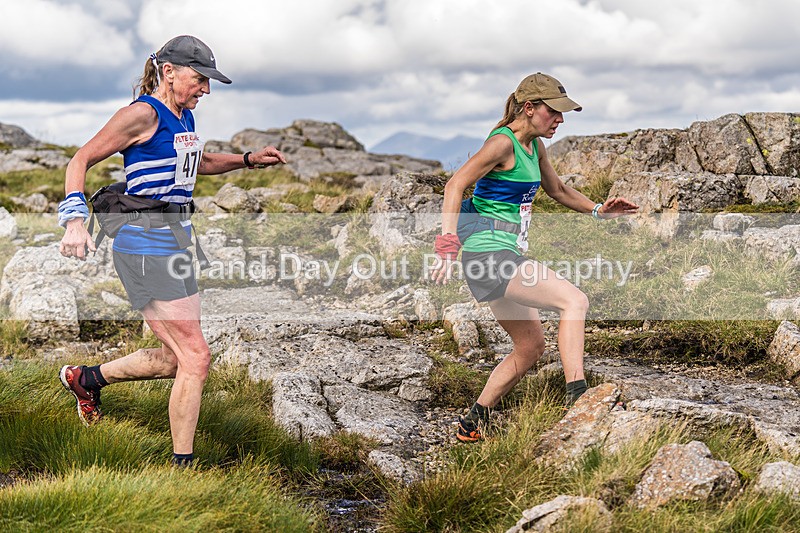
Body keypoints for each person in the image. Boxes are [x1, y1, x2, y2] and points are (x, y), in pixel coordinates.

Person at [57, 35, 287, 466]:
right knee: (197, 357)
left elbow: (195, 163)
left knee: (174, 358)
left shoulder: (183, 118)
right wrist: (73, 220)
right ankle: (184, 469)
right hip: (143, 245)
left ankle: (86, 379)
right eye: (200, 79)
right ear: (169, 72)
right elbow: (80, 159)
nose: (206, 89)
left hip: (177, 242)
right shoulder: (142, 114)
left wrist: (248, 159)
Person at [430, 72, 638, 443]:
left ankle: (472, 424)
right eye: (554, 112)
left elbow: (557, 189)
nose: (560, 119)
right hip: (488, 252)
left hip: (500, 253)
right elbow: (454, 184)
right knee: (574, 301)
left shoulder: (534, 147)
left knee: (530, 347)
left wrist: (598, 210)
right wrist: (446, 246)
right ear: (529, 108)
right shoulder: (501, 143)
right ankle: (579, 398)